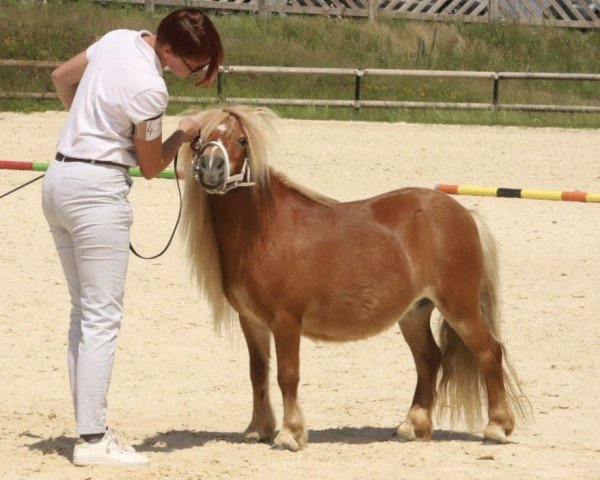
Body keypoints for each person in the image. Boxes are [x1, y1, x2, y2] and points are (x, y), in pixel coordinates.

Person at [41, 8, 223, 467]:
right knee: (102, 318)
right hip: (97, 195)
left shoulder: (119, 38)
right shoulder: (150, 88)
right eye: (193, 64)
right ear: (167, 50)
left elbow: (62, 78)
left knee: (83, 313)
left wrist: (90, 133)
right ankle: (93, 438)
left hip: (61, 178)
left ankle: (89, 426)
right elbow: (149, 166)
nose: (194, 73)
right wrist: (181, 133)